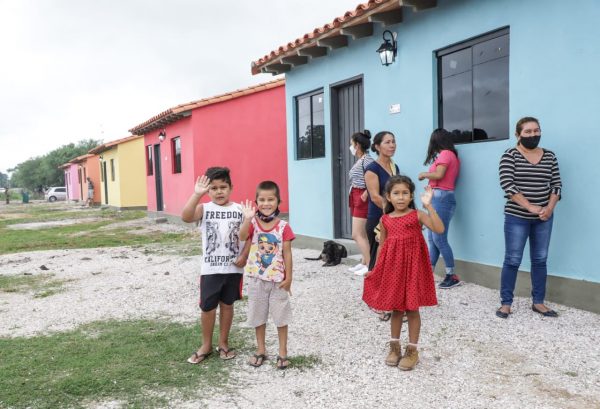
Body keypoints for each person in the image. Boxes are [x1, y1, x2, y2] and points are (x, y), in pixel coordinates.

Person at [363, 175, 443, 370]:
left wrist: (429, 206)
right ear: (388, 197)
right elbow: (382, 248)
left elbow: (439, 229)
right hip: (393, 270)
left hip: (414, 269)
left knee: (412, 309)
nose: (400, 197)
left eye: (405, 193)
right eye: (396, 193)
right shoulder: (385, 220)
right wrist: (374, 270)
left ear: (411, 195)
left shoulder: (417, 215)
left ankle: (412, 350)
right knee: (396, 309)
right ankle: (394, 347)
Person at [497, 117, 562, 319]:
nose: (533, 135)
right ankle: (506, 303)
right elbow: (508, 185)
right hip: (517, 217)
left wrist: (549, 208)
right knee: (513, 259)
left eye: (536, 130)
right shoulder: (510, 156)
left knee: (540, 260)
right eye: (528, 131)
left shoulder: (550, 156)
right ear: (518, 135)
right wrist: (530, 207)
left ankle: (539, 302)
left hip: (544, 218)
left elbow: (556, 185)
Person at [181, 167, 246, 363]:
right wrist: (196, 194)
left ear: (231, 188)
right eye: (214, 188)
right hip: (210, 269)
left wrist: (244, 255)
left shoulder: (240, 210)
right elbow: (185, 216)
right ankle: (206, 345)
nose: (219, 191)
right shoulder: (205, 209)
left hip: (233, 268)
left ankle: (223, 343)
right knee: (207, 308)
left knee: (227, 305)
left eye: (223, 187)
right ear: (208, 190)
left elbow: (250, 235)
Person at [239, 181, 295, 369]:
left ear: (278, 201)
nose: (266, 203)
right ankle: (261, 349)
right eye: (262, 200)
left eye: (270, 199)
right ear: (256, 202)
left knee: (281, 317)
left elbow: (287, 253)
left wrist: (289, 278)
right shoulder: (253, 223)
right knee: (258, 316)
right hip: (256, 280)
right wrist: (247, 219)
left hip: (278, 282)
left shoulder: (284, 227)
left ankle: (283, 352)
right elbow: (241, 236)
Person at [418, 129, 461, 289]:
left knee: (439, 238)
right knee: (432, 239)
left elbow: (439, 175)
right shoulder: (450, 154)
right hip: (438, 198)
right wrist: (428, 199)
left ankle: (452, 275)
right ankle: (428, 274)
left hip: (443, 198)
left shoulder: (445, 154)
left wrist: (424, 174)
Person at [364, 131, 399, 321]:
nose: (392, 145)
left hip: (394, 220)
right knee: (377, 262)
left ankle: (389, 300)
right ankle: (376, 301)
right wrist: (394, 210)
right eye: (387, 142)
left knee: (391, 262)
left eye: (393, 142)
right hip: (378, 220)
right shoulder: (372, 168)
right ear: (377, 146)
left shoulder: (395, 167)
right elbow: (375, 197)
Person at [347, 130, 375, 276]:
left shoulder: (367, 160)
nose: (350, 146)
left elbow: (373, 178)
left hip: (362, 197)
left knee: (356, 234)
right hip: (356, 195)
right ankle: (364, 261)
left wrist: (365, 194)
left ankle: (370, 264)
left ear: (357, 145)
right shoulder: (362, 159)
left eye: (352, 143)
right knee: (362, 233)